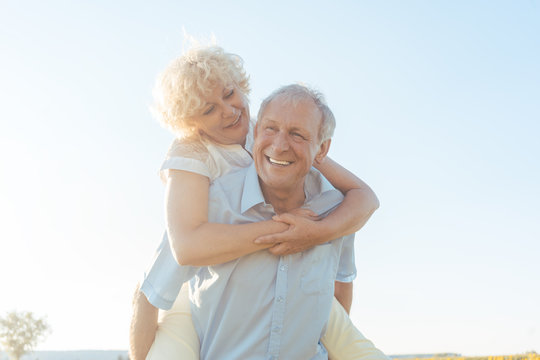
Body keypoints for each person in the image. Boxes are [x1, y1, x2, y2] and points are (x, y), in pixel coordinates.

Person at [129, 45, 385, 359]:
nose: (228, 111)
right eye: (208, 110)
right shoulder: (191, 157)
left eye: (229, 93)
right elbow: (186, 247)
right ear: (191, 123)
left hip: (284, 275)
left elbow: (364, 197)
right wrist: (285, 232)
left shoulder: (267, 131)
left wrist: (317, 232)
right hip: (204, 281)